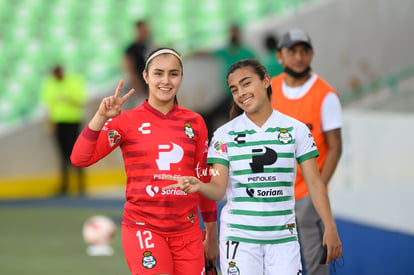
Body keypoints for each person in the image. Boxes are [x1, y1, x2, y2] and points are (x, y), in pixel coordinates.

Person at [163, 58, 342, 274]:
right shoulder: (223, 135)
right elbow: (218, 189)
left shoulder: (297, 130)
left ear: (266, 81)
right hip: (239, 239)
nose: (241, 93)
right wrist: (199, 185)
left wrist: (329, 226)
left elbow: (315, 183)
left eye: (246, 83)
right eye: (234, 89)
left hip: (284, 239)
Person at [71, 48, 219, 275]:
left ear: (181, 77)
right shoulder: (126, 121)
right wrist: (100, 117)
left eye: (173, 74)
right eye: (158, 73)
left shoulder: (195, 123)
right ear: (145, 77)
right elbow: (80, 158)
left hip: (188, 232)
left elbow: (203, 177)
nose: (166, 81)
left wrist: (211, 232)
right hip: (144, 228)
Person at [270, 28, 343, 275]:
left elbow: (335, 146)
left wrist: (318, 189)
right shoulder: (269, 88)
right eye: (292, 51)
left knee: (315, 265)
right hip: (274, 191)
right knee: (275, 262)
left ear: (311, 54)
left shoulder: (325, 95)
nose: (298, 57)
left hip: (307, 195)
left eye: (304, 51)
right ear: (280, 55)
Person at [202, 24, 256, 139]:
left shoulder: (246, 52)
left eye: (235, 32)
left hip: (242, 95)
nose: (233, 35)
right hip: (228, 95)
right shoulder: (225, 52)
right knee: (208, 116)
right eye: (232, 32)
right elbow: (208, 53)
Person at [40, 65, 86, 196]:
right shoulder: (50, 84)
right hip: (59, 123)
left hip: (73, 122)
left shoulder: (74, 81)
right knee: (63, 155)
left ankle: (81, 185)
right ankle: (65, 186)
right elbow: (48, 106)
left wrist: (67, 100)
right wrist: (49, 124)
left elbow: (81, 102)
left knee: (76, 152)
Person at [123, 20, 151, 109]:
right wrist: (138, 87)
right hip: (137, 89)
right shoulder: (131, 49)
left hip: (146, 86)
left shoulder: (147, 47)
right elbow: (130, 70)